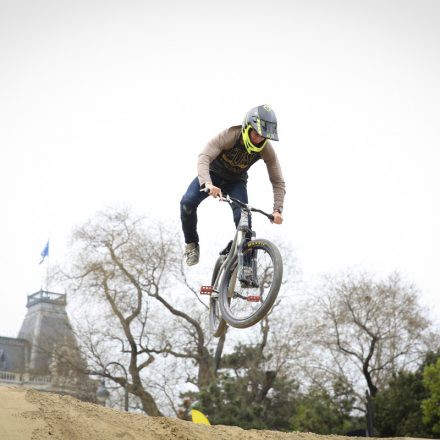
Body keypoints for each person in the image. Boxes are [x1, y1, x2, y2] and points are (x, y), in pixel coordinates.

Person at [180, 104, 286, 267]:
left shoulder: (266, 149)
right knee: (187, 202)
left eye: (262, 136)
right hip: (212, 175)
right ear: (247, 127)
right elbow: (204, 157)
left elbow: (277, 181)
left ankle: (247, 267)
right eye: (255, 133)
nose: (258, 139)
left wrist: (277, 210)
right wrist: (207, 183)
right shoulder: (231, 135)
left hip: (236, 181)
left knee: (244, 220)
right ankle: (192, 245)